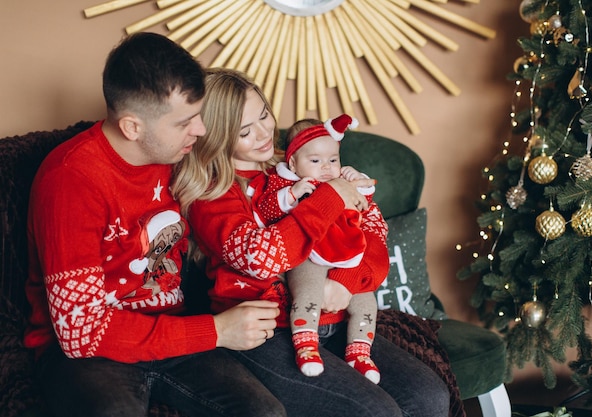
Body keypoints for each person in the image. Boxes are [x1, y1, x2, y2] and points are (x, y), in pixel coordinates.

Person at [23, 33, 286, 417]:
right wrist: (215, 331)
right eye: (185, 121)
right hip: (90, 355)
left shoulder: (177, 151)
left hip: (171, 331)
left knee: (265, 412)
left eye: (198, 114)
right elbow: (81, 333)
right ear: (132, 127)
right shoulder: (71, 180)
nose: (200, 130)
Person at [171, 67, 450, 417]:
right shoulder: (212, 195)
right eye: (245, 131)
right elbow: (261, 258)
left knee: (430, 395)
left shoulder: (295, 164)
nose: (264, 134)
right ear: (213, 136)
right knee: (374, 411)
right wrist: (331, 197)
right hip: (266, 330)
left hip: (333, 316)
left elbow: (372, 227)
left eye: (264, 116)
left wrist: (345, 284)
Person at [248, 114, 382, 383]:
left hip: (345, 256)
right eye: (315, 161)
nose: (326, 168)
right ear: (293, 163)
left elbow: (369, 215)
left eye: (333, 160)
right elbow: (265, 211)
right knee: (308, 291)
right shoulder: (283, 183)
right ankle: (306, 343)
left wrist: (359, 184)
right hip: (307, 254)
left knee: (366, 299)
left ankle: (360, 351)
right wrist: (292, 195)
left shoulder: (343, 180)